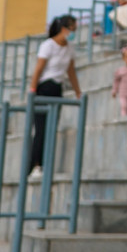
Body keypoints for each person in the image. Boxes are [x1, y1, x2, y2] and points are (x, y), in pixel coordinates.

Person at [27, 16, 81, 176]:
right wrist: (32, 89)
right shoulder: (48, 46)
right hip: (44, 87)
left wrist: (78, 91)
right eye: (72, 29)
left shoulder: (70, 48)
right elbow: (39, 69)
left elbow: (71, 71)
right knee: (41, 129)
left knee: (52, 128)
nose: (73, 32)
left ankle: (44, 164)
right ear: (63, 29)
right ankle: (35, 165)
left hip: (57, 88)